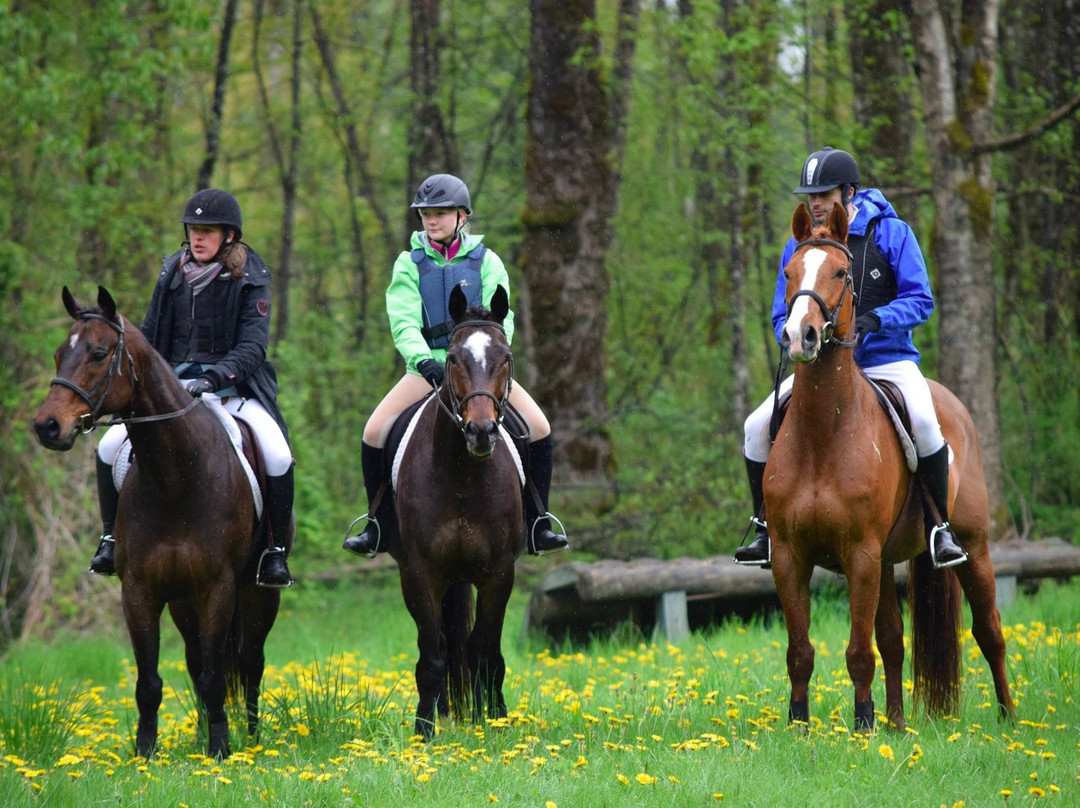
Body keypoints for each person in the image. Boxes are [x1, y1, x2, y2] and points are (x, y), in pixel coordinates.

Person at [734, 147, 967, 570]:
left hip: (887, 360)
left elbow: (921, 299)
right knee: (754, 426)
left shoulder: (891, 233)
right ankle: (765, 527)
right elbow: (780, 313)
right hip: (822, 369)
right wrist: (793, 338)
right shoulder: (799, 246)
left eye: (824, 192)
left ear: (850, 192)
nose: (816, 202)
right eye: (811, 195)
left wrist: (877, 320)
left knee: (927, 423)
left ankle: (940, 528)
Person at [343, 173, 568, 558]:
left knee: (540, 427)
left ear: (462, 216)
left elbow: (504, 317)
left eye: (441, 213)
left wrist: (489, 354)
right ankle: (377, 524)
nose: (432, 221)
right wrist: (423, 360)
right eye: (427, 214)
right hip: (427, 369)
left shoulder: (488, 261)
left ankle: (537, 521)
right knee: (374, 431)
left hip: (480, 369)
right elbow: (403, 320)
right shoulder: (408, 264)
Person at [90, 188, 295, 587]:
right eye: (193, 229)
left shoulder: (250, 278)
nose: (197, 237)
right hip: (171, 390)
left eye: (207, 230)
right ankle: (111, 538)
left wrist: (213, 379)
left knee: (277, 454)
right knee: (107, 446)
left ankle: (274, 551)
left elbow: (253, 348)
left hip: (233, 391)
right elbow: (148, 337)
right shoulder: (172, 273)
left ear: (229, 236)